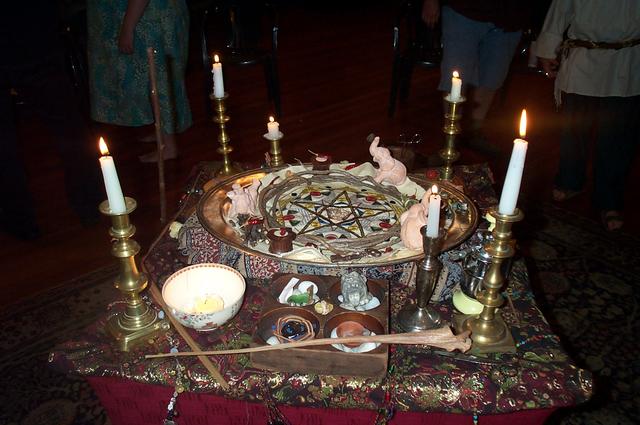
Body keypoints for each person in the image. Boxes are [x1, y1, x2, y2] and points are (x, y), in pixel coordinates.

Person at [0, 1, 103, 240]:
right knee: (67, 126)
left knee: (63, 127)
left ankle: (21, 221)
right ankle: (89, 204)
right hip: (34, 35)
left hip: (32, 35)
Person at [536, 0, 640, 231]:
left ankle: (609, 199)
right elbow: (561, 7)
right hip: (582, 58)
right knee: (574, 128)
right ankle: (570, 181)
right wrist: (547, 49)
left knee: (618, 135)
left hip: (627, 60)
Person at [87, 0, 192, 162]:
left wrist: (128, 27)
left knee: (159, 81)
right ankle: (162, 132)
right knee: (152, 81)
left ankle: (168, 145)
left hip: (150, 18)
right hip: (146, 16)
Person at [422, 0, 529, 154]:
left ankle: (475, 131)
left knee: (493, 75)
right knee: (455, 76)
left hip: (511, 17)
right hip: (464, 9)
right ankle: (450, 136)